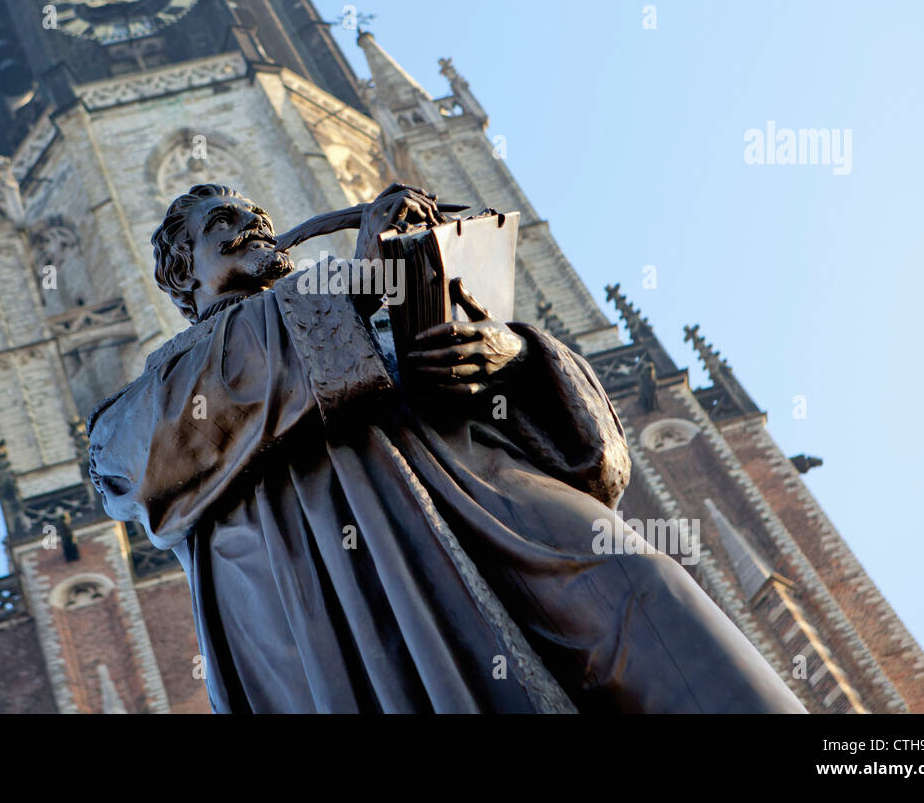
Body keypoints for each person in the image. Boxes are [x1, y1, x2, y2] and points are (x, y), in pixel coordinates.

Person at [87, 182, 805, 713]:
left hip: (498, 510)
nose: (252, 225)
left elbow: (583, 457)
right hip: (337, 596)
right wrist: (359, 289)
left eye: (257, 216)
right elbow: (127, 462)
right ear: (183, 275)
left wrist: (513, 353)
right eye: (224, 224)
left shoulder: (352, 299)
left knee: (662, 623)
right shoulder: (154, 391)